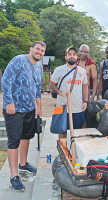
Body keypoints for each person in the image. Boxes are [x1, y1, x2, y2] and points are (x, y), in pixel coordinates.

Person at [1, 41, 46, 191]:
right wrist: (9, 102)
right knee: (13, 142)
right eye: (37, 49)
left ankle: (23, 163)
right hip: (14, 109)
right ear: (31, 49)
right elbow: (6, 80)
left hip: (29, 109)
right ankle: (14, 176)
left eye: (42, 51)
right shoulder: (19, 60)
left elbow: (38, 87)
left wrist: (39, 106)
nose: (39, 52)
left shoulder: (39, 66)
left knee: (26, 137)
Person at [50, 47, 88, 139]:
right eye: (69, 54)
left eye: (74, 54)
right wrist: (60, 92)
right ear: (66, 57)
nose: (72, 56)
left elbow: (85, 87)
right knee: (62, 131)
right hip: (62, 106)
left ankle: (73, 152)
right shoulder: (59, 70)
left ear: (76, 57)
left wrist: (85, 101)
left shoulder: (82, 71)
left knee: (76, 132)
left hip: (78, 107)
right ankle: (63, 153)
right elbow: (52, 85)